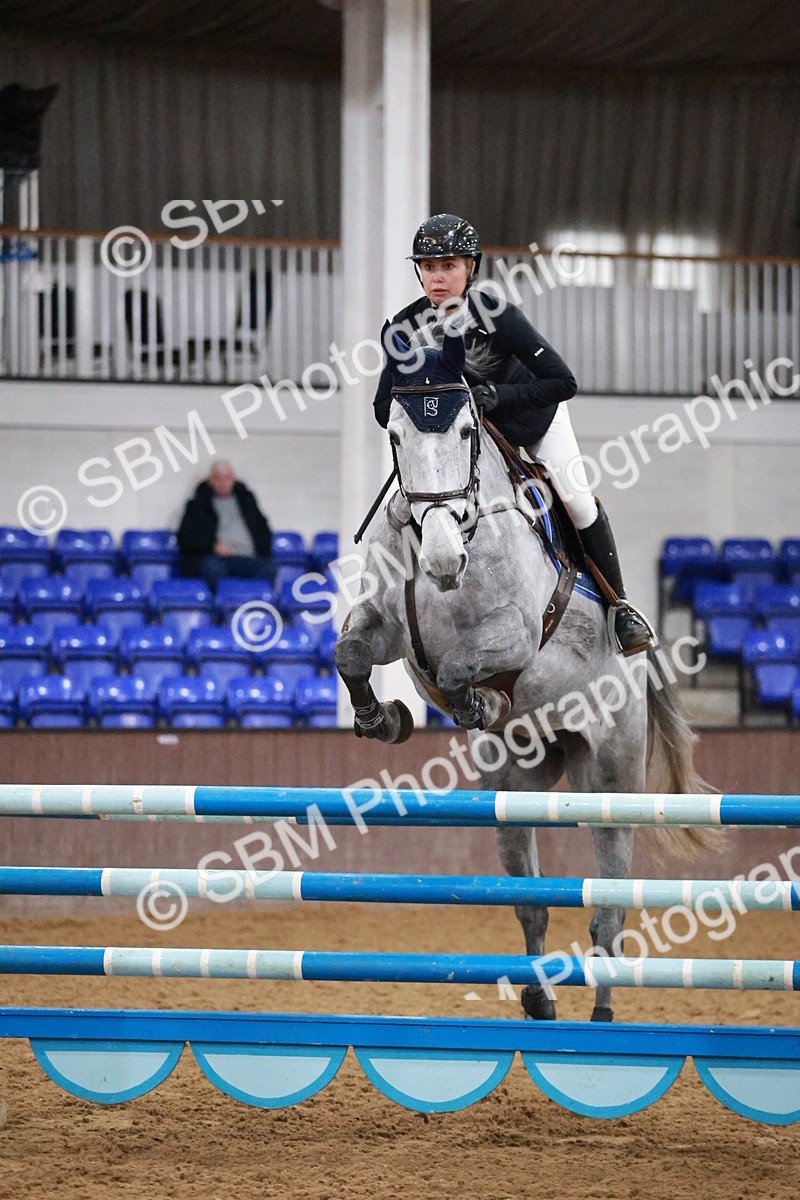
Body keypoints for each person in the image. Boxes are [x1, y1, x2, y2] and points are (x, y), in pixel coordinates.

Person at [373, 213, 654, 655]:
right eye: (428, 266)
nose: (437, 276)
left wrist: (497, 396)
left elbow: (564, 381)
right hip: (468, 439)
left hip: (530, 419)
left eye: (448, 265)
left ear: (471, 268)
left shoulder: (497, 315)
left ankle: (619, 609)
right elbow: (380, 408)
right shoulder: (404, 328)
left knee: (577, 501)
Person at [176, 460, 274, 585]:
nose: (223, 483)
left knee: (268, 568)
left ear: (233, 479)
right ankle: (218, 604)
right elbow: (186, 539)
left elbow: (263, 530)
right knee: (212, 569)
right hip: (216, 559)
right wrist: (212, 547)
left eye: (227, 478)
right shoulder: (197, 505)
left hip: (248, 557)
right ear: (210, 480)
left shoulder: (247, 503)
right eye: (218, 478)